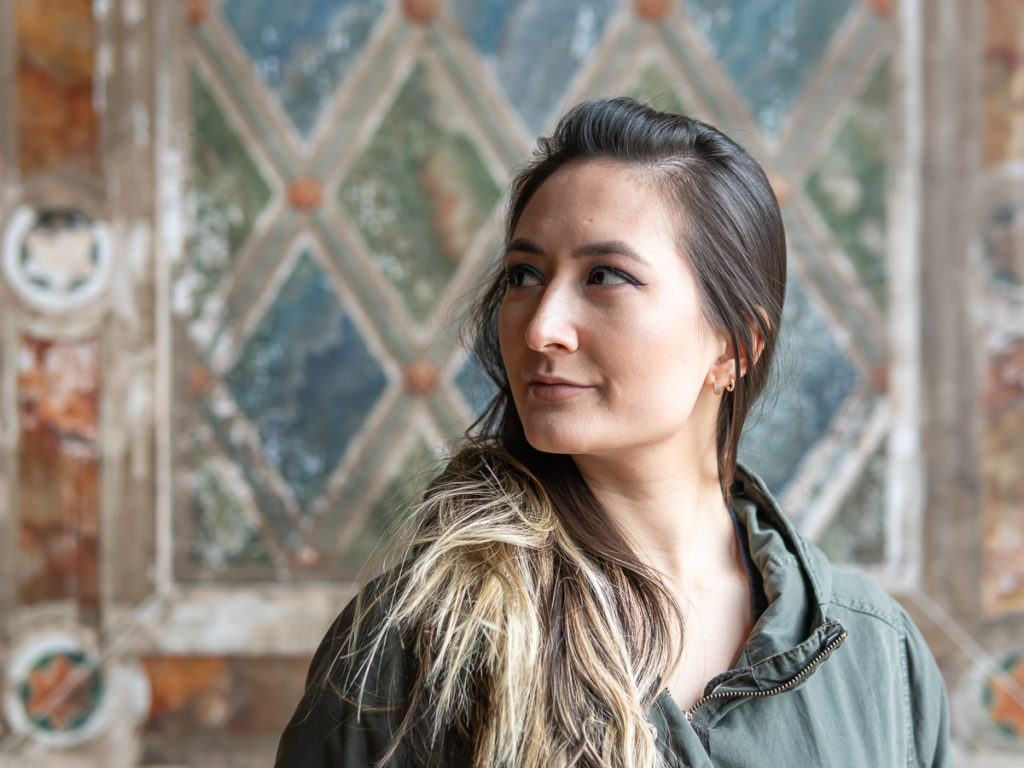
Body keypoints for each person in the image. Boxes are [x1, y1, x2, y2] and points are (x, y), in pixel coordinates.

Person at [274, 97, 950, 768]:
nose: (541, 327)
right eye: (523, 276)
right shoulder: (420, 643)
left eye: (605, 277)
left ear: (735, 345)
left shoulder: (874, 653)